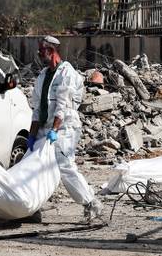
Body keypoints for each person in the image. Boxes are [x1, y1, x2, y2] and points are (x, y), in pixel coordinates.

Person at [28, 35, 104, 222]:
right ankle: (30, 207)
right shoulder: (43, 76)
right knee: (31, 164)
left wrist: (54, 130)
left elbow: (62, 106)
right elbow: (37, 108)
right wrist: (32, 135)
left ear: (51, 50)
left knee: (65, 166)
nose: (39, 54)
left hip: (65, 128)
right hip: (46, 127)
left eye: (41, 51)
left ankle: (90, 202)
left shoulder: (67, 73)